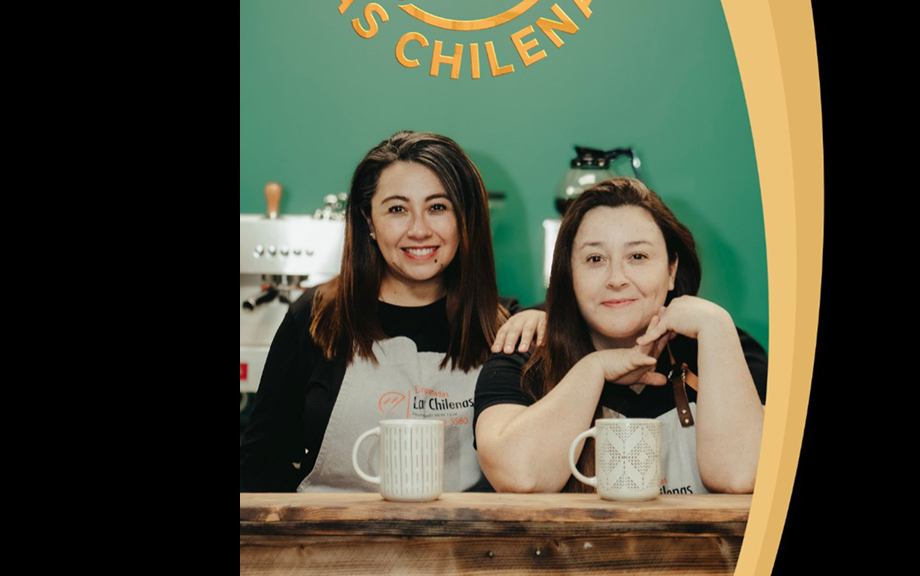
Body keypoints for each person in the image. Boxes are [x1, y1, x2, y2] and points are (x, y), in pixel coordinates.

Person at [240, 131, 545, 492]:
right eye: (397, 209)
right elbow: (261, 463)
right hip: (332, 544)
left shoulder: (506, 328)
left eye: (438, 207)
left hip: (464, 547)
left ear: (465, 220)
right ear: (369, 221)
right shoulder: (315, 318)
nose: (419, 230)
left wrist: (552, 322)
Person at [474, 177, 767, 495]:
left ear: (671, 270)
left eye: (638, 257)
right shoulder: (522, 358)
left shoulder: (726, 350)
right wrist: (594, 369)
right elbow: (520, 478)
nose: (616, 279)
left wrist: (716, 324)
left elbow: (740, 476)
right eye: (595, 259)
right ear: (569, 274)